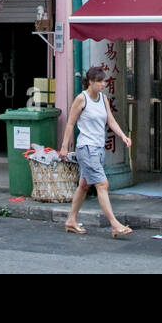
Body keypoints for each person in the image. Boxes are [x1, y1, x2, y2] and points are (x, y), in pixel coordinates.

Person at [59, 66, 133, 237]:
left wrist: (123, 136)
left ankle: (71, 220)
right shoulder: (81, 99)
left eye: (104, 81)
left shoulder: (103, 99)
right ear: (91, 82)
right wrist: (64, 146)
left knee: (84, 185)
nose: (103, 84)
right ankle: (115, 225)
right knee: (102, 184)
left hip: (98, 147)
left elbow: (110, 120)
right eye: (100, 81)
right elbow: (70, 123)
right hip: (86, 147)